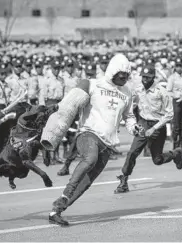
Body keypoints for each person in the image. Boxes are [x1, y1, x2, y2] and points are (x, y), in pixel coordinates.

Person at [48, 54, 142, 226]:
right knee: (90, 158)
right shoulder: (93, 84)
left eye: (127, 77)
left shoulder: (127, 92)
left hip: (108, 144)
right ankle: (64, 195)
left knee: (87, 182)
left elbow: (128, 116)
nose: (124, 79)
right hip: (88, 134)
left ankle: (56, 210)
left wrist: (133, 126)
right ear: (113, 72)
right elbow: (69, 104)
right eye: (122, 76)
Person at [114, 64, 182, 194]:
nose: (145, 79)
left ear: (153, 77)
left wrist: (154, 129)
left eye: (148, 77)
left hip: (157, 126)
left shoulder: (161, 91)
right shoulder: (138, 89)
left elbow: (169, 114)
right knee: (132, 152)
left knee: (157, 160)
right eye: (144, 77)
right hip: (143, 123)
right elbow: (131, 104)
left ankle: (175, 154)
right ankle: (124, 181)